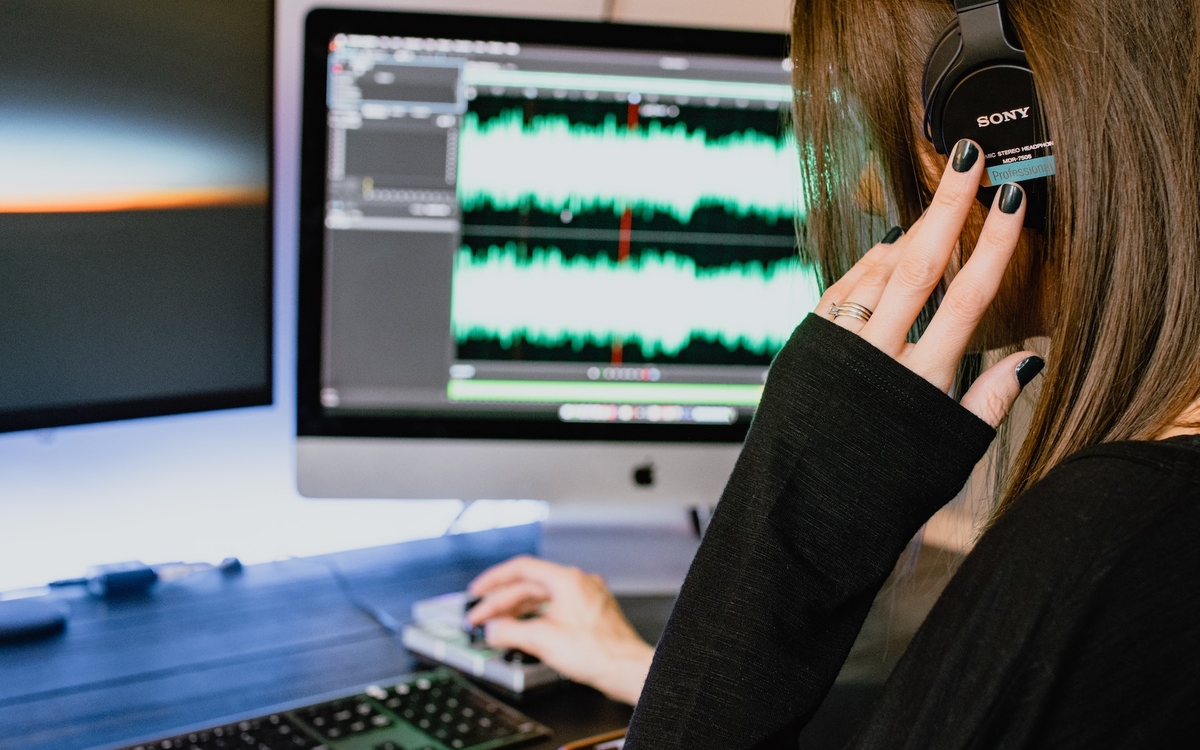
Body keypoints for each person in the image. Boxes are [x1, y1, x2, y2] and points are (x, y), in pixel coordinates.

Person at [478, 0, 1200, 745]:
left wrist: (799, 504)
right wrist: (664, 670)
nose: (862, 191)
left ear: (1008, 124)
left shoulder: (1109, 540)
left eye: (888, 127)